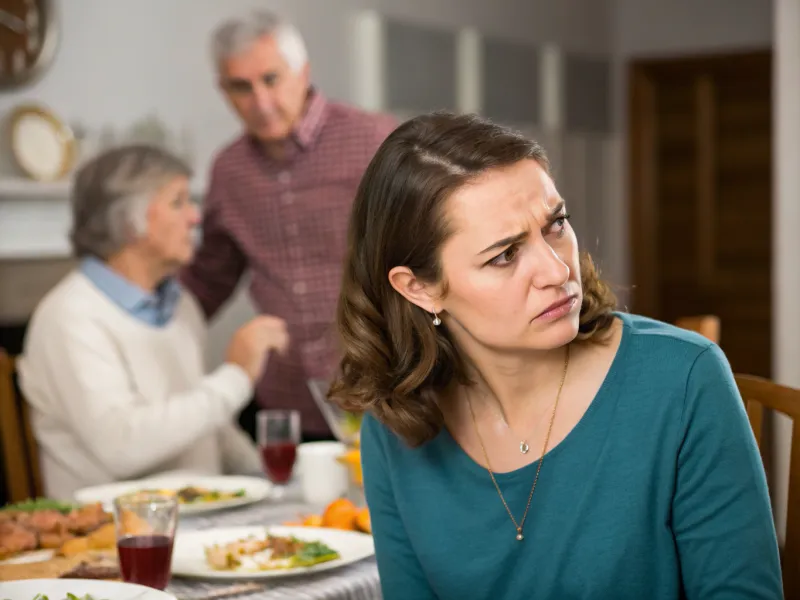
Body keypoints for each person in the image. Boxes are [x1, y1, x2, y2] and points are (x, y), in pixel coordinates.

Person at [328, 113, 783, 599]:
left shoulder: (684, 380)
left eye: (556, 225)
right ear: (419, 287)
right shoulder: (394, 425)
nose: (556, 267)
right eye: (504, 254)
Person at [18, 145, 288, 500]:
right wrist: (236, 377)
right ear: (130, 224)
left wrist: (266, 479)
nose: (195, 217)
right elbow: (120, 446)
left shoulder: (180, 305)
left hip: (201, 520)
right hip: (110, 535)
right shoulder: (70, 317)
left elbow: (204, 425)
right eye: (178, 202)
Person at [180, 10, 397, 442]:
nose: (260, 102)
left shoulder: (375, 141)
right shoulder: (229, 172)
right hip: (289, 401)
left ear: (303, 72)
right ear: (223, 91)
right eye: (241, 87)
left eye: (271, 79)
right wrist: (130, 317)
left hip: (384, 390)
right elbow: (209, 278)